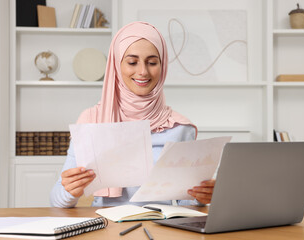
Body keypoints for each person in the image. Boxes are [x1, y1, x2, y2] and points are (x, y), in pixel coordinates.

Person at [50, 21, 215, 208]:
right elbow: (56, 200)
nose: (143, 71)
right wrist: (69, 190)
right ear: (116, 65)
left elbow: (187, 203)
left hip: (161, 228)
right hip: (107, 229)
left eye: (152, 62)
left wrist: (201, 197)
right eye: (132, 62)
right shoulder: (91, 120)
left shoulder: (180, 128)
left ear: (163, 66)